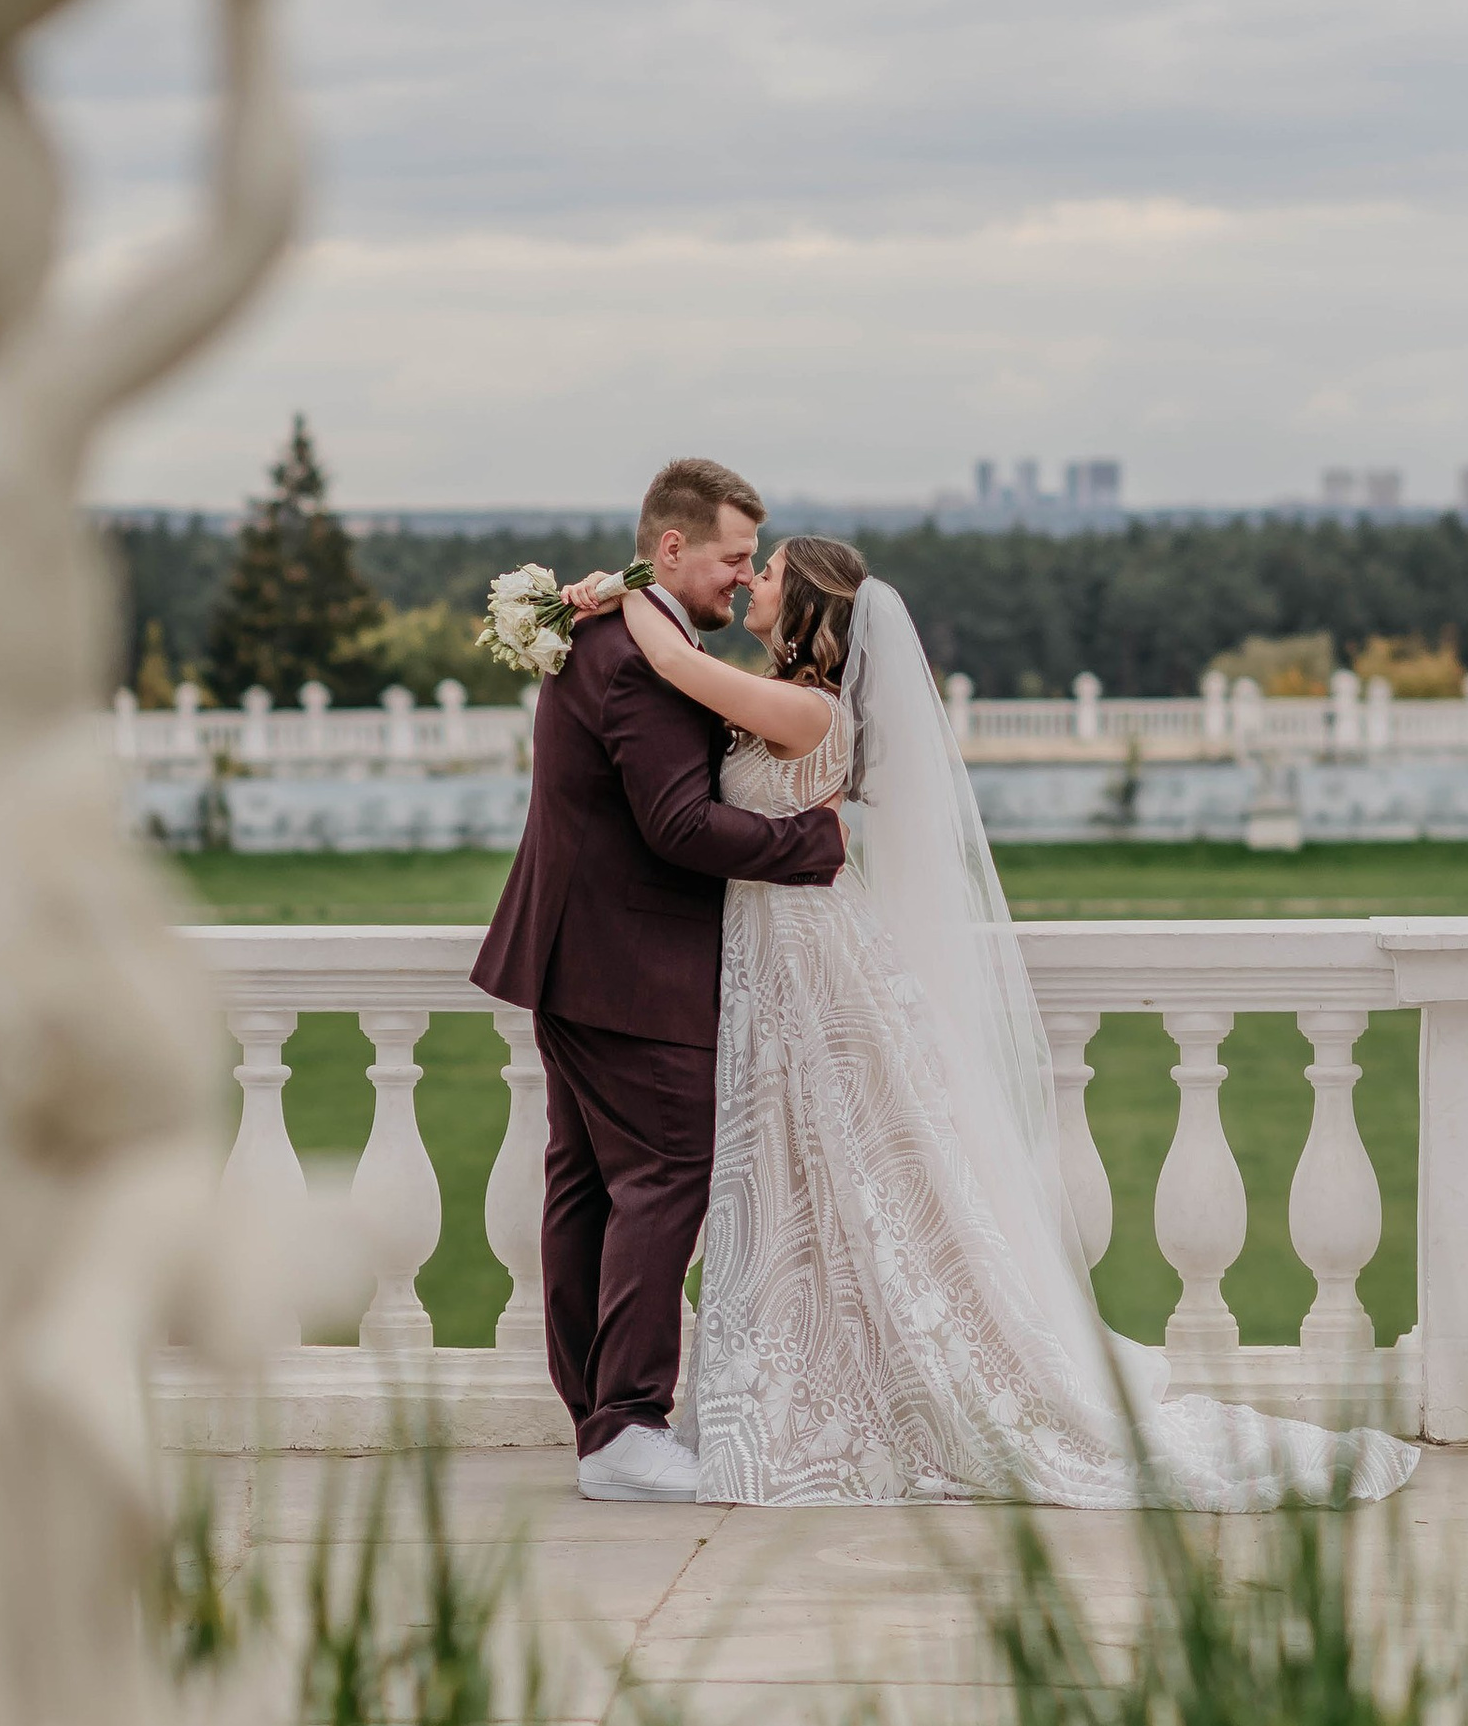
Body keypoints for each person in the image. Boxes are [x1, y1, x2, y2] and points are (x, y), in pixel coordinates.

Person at [573, 536, 1418, 1511]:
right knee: (796, 1174)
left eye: (767, 575)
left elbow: (676, 665)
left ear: (805, 610)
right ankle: (784, 1387)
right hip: (775, 958)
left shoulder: (810, 711)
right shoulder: (779, 696)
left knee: (851, 1174)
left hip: (811, 962)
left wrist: (619, 589)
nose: (751, 581)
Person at [470, 459, 845, 1501]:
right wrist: (814, 843)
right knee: (660, 1178)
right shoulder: (643, 656)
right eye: (732, 557)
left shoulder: (611, 628)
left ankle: (598, 1422)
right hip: (632, 969)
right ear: (669, 548)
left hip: (571, 956)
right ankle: (626, 1426)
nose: (741, 578)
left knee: (585, 1188)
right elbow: (678, 826)